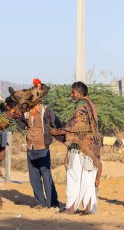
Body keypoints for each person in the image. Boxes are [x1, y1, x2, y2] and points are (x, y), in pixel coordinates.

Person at [50, 81, 102, 215]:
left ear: (79, 93)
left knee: (74, 175)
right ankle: (88, 208)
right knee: (88, 177)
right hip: (92, 146)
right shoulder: (92, 105)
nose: (71, 94)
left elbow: (75, 124)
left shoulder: (81, 105)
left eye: (73, 92)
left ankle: (71, 207)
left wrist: (57, 131)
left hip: (80, 146)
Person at [16, 78, 60, 209]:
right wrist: (24, 127)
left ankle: (52, 202)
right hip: (30, 147)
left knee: (46, 175)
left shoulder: (46, 111)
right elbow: (19, 121)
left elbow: (56, 124)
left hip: (43, 147)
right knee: (34, 177)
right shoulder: (25, 112)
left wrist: (53, 134)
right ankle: (41, 202)